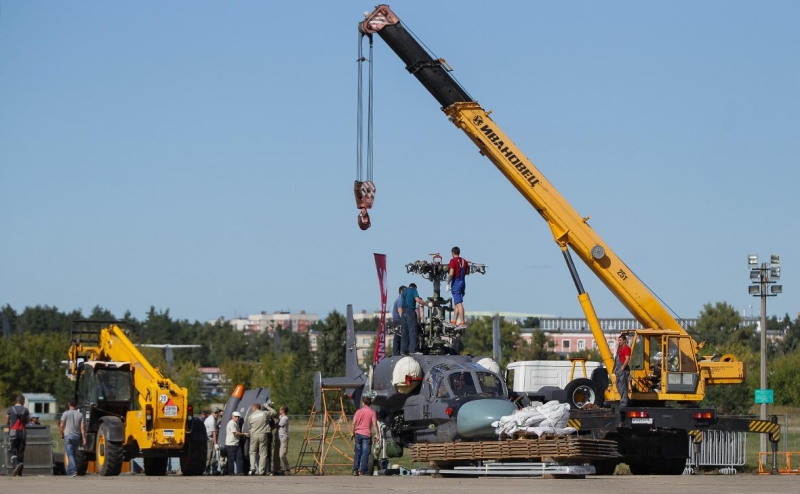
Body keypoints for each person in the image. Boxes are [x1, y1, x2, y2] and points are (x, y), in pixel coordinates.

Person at [351, 395, 378, 477]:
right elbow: (374, 424)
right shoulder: (372, 412)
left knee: (358, 452)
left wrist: (352, 433)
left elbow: (353, 423)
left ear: (363, 403)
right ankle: (363, 471)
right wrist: (378, 434)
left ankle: (355, 470)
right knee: (365, 453)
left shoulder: (358, 411)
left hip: (358, 434)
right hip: (366, 434)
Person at [59, 398, 85, 478]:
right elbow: (82, 427)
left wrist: (62, 434)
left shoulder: (65, 413)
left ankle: (73, 470)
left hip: (68, 436)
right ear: (76, 405)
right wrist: (84, 438)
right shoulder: (80, 414)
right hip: (77, 436)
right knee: (74, 454)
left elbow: (61, 425)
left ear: (68, 404)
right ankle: (70, 472)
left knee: (70, 454)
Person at [6, 394, 30, 476]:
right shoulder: (25, 410)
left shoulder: (10, 409)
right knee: (21, 451)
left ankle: (16, 464)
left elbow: (7, 421)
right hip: (22, 432)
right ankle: (20, 471)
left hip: (13, 432)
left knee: (12, 449)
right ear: (22, 401)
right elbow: (27, 421)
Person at [399, 282, 425, 355]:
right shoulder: (414, 290)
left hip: (404, 312)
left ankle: (403, 351)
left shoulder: (404, 291)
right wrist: (426, 304)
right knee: (413, 331)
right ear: (414, 287)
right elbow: (417, 300)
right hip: (410, 312)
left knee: (405, 332)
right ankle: (413, 350)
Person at [448, 246, 469, 327]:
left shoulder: (452, 261)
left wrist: (448, 283)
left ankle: (462, 321)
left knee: (459, 303)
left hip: (456, 283)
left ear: (453, 253)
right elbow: (467, 272)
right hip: (463, 282)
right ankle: (454, 321)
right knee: (457, 302)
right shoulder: (464, 261)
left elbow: (451, 273)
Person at [246, 402, 269, 475]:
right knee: (263, 453)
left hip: (254, 435)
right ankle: (261, 471)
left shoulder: (251, 416)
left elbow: (249, 427)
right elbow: (274, 412)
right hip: (263, 434)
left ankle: (253, 468)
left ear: (255, 408)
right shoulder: (264, 413)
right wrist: (267, 407)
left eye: (252, 408)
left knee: (252, 452)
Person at [225, 411, 245, 475]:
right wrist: (244, 434)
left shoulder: (236, 423)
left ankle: (240, 471)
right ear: (232, 416)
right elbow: (235, 433)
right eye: (236, 417)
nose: (237, 418)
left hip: (236, 443)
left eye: (238, 417)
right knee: (231, 459)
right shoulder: (232, 423)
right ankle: (231, 472)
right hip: (231, 444)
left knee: (239, 458)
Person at [262, 400, 278, 474]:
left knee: (265, 453)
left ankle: (265, 469)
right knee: (267, 453)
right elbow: (274, 414)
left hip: (265, 435)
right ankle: (267, 469)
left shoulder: (265, 415)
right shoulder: (267, 415)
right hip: (266, 435)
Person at [615, 334, 631, 407]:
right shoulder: (620, 348)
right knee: (618, 386)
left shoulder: (626, 348)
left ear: (624, 340)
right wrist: (616, 368)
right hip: (618, 369)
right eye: (618, 340)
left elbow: (627, 359)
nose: (619, 342)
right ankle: (626, 399)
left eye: (620, 340)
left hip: (623, 370)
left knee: (623, 386)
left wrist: (622, 368)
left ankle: (624, 403)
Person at [204, 408, 221, 474]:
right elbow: (213, 433)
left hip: (211, 438)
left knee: (213, 455)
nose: (216, 414)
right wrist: (215, 443)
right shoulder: (211, 420)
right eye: (215, 413)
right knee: (209, 455)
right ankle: (207, 469)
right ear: (212, 413)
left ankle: (213, 469)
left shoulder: (214, 419)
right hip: (209, 439)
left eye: (217, 413)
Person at [391, 285, 405, 356]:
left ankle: (396, 352)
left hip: (397, 320)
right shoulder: (400, 300)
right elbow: (400, 310)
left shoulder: (399, 299)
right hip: (398, 320)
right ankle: (396, 352)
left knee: (398, 336)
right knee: (399, 336)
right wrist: (404, 319)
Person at [276, 406, 290, 475]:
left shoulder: (285, 418)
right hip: (279, 438)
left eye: (280, 409)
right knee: (278, 454)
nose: (279, 410)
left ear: (283, 411)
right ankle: (281, 468)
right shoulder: (281, 417)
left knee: (282, 455)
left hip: (283, 438)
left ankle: (287, 468)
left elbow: (278, 425)